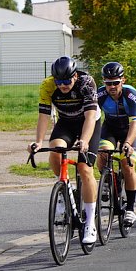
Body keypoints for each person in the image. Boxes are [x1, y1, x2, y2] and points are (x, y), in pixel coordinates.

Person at [29, 56, 101, 244]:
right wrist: (37, 141)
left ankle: (90, 222)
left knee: (85, 169)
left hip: (88, 122)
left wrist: (84, 140)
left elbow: (90, 116)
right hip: (66, 123)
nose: (62, 86)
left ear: (75, 76)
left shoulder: (87, 83)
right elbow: (44, 114)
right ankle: (63, 191)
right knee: (55, 150)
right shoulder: (48, 85)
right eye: (58, 82)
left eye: (66, 81)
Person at [96, 62, 136, 225]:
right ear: (104, 82)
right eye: (108, 83)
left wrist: (129, 143)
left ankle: (130, 209)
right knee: (102, 153)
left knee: (127, 165)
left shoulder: (131, 94)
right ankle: (109, 180)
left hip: (129, 130)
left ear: (123, 80)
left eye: (116, 82)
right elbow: (91, 117)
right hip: (110, 128)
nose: (112, 86)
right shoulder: (100, 95)